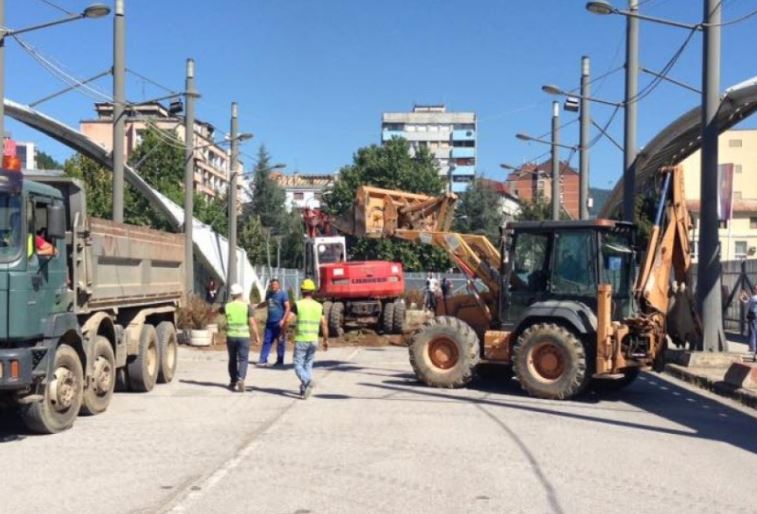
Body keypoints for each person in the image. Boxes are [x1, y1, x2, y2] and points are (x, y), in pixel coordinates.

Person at [282, 279, 328, 399]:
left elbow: (287, 320)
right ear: (313, 291)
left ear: (302, 291)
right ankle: (304, 389)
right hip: (314, 340)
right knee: (308, 365)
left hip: (302, 339)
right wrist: (325, 340)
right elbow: (324, 323)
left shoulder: (298, 304)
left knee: (297, 365)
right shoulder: (319, 306)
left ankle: (307, 381)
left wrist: (283, 332)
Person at [220, 283, 260, 392]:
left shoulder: (227, 306)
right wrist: (256, 335)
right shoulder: (246, 307)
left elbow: (219, 311)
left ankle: (233, 381)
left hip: (231, 337)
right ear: (241, 294)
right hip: (243, 337)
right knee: (243, 359)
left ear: (232, 295)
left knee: (232, 359)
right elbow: (252, 322)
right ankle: (241, 378)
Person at [256, 278, 291, 367]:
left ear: (279, 285)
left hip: (279, 322)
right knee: (267, 341)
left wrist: (283, 320)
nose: (273, 286)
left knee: (280, 341)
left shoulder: (283, 294)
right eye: (272, 285)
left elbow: (288, 307)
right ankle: (262, 360)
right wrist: (257, 306)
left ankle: (280, 361)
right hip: (270, 322)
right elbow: (266, 303)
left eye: (275, 285)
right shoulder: (269, 294)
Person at [739, 285, 757, 361]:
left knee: (753, 333)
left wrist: (741, 298)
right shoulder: (753, 298)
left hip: (753, 318)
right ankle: (755, 355)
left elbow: (747, 304)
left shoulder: (753, 298)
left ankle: (752, 348)